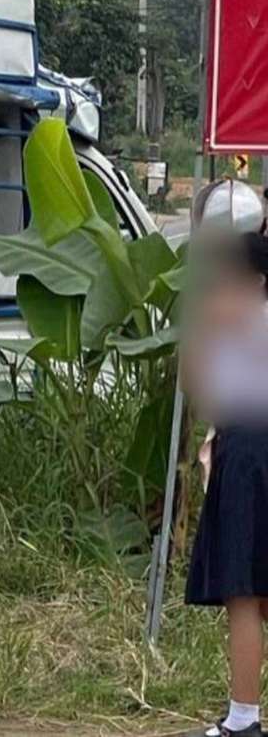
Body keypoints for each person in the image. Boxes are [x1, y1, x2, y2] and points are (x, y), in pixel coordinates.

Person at [184, 233, 268, 737]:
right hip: (238, 446)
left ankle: (243, 719)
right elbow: (194, 383)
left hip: (251, 454)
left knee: (244, 590)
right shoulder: (226, 323)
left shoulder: (249, 319)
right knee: (255, 593)